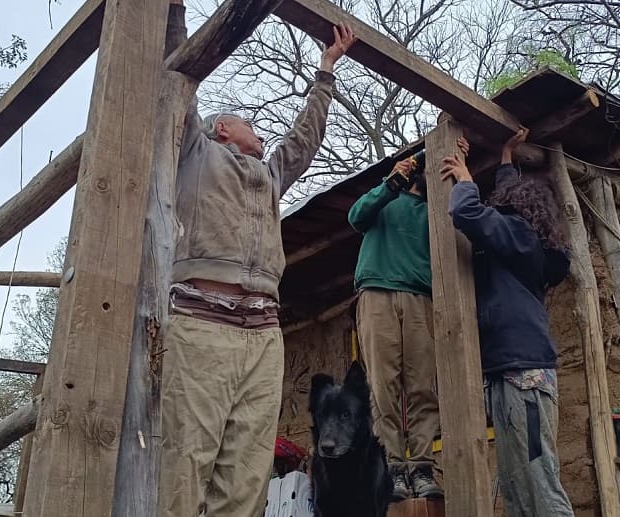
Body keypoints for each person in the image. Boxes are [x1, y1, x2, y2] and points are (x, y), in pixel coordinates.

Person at [158, 2, 356, 516]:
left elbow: (305, 139)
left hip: (263, 333)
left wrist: (327, 68)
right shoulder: (197, 153)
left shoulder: (268, 177)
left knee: (247, 472)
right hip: (203, 323)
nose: (262, 134)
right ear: (224, 128)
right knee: (185, 462)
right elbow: (181, 72)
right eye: (250, 125)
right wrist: (173, 10)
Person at [440, 129, 574, 516]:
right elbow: (500, 207)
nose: (495, 206)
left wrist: (465, 180)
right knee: (516, 483)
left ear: (515, 209)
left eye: (501, 202)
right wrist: (505, 160)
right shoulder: (523, 242)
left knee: (538, 478)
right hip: (512, 374)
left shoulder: (519, 236)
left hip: (525, 376)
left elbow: (467, 213)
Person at [347, 143, 466, 501]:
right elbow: (356, 215)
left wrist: (461, 159)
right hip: (377, 294)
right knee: (383, 387)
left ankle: (423, 468)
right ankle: (393, 468)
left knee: (422, 387)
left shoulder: (435, 212)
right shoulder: (385, 198)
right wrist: (391, 181)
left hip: (421, 299)